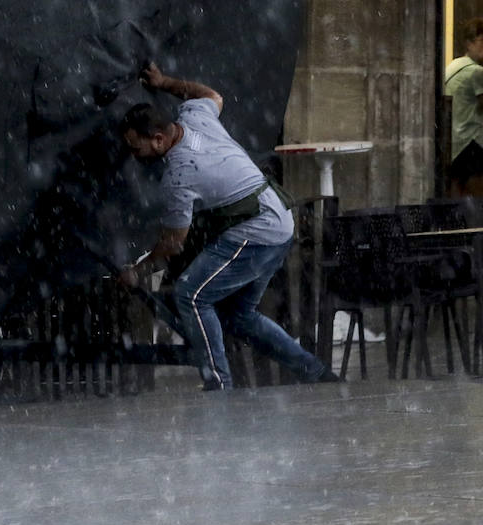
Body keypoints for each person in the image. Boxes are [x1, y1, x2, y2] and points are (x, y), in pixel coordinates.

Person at [119, 62, 338, 390]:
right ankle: (316, 372)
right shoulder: (195, 117)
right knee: (241, 316)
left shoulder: (179, 175)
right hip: (279, 220)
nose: (133, 155)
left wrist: (139, 269)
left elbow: (174, 243)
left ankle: (218, 383)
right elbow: (211, 94)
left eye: (136, 148)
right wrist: (164, 82)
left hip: (257, 230)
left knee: (191, 295)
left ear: (159, 138)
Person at [445, 18, 483, 198]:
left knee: (457, 198)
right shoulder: (477, 71)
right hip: (472, 143)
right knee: (479, 199)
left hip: (454, 144)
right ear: (469, 43)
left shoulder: (453, 66)